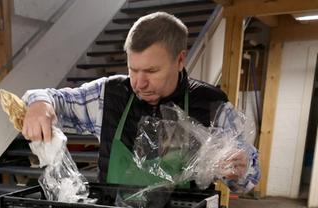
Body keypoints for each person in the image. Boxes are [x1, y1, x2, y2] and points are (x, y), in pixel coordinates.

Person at [21, 12, 259, 192]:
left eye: (151, 71)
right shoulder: (108, 95)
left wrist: (241, 168)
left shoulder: (212, 106)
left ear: (180, 60)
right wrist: (40, 103)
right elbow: (55, 99)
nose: (139, 83)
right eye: (133, 69)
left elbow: (247, 182)